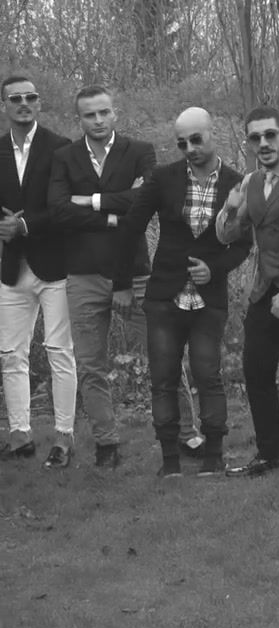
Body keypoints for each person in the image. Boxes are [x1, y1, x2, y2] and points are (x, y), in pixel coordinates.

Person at [120, 107, 249, 478]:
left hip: (210, 296)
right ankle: (170, 461)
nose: (190, 148)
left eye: (196, 139)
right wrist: (122, 281)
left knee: (208, 373)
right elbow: (131, 227)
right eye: (182, 143)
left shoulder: (238, 183)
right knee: (163, 378)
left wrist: (215, 268)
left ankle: (214, 457)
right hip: (164, 295)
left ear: (212, 134)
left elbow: (244, 244)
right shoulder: (163, 178)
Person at [49, 84, 161, 469]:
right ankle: (106, 443)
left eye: (103, 112)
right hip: (83, 274)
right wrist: (116, 215)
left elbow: (147, 199)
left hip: (135, 271)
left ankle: (183, 435)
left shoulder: (140, 151)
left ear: (115, 113)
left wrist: (92, 201)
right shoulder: (64, 157)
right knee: (90, 365)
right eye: (89, 115)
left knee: (164, 354)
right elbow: (58, 211)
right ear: (78, 119)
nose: (98, 120)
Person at [215, 106, 279, 480]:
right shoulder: (250, 182)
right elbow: (226, 235)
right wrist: (230, 209)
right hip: (263, 291)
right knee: (255, 371)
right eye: (256, 137)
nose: (264, 143)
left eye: (271, 135)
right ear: (249, 142)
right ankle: (270, 454)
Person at [0, 75, 75, 468]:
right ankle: (20, 436)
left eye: (30, 97)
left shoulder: (61, 147)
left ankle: (64, 437)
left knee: (59, 351)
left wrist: (25, 225)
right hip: (12, 267)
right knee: (11, 354)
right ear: (5, 105)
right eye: (15, 98)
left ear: (39, 103)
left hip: (55, 265)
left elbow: (66, 207)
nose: (23, 103)